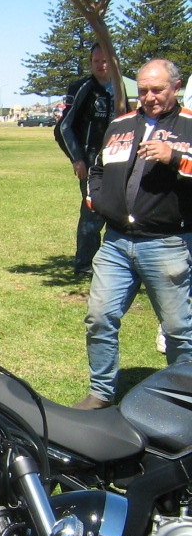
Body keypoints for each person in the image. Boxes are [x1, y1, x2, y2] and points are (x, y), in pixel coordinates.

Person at [75, 58, 192, 410]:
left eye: (158, 89)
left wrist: (175, 157)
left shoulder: (188, 125)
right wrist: (97, 199)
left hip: (167, 244)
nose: (150, 97)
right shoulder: (121, 124)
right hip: (116, 242)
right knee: (100, 317)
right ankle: (101, 393)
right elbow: (98, 168)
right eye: (143, 90)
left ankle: (181, 400)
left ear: (176, 87)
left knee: (177, 329)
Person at [57, 43, 115, 277]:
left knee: (119, 212)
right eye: (96, 61)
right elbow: (64, 127)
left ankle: (115, 263)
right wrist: (77, 158)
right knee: (92, 212)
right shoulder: (83, 88)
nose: (101, 65)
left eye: (105, 60)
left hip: (120, 160)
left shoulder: (123, 87)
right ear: (90, 63)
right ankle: (85, 265)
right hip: (92, 161)